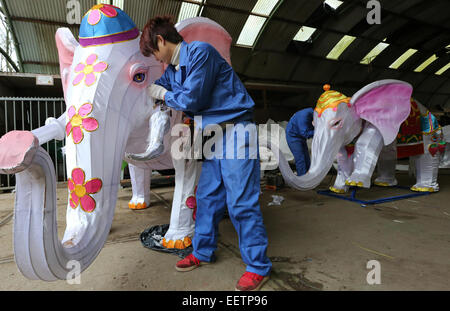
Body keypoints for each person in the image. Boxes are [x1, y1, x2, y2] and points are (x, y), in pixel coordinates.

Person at [140, 16, 272, 291]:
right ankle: (202, 251)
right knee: (207, 196)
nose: (155, 58)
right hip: (211, 133)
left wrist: (162, 95)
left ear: (162, 41)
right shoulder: (173, 71)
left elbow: (191, 100)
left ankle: (258, 266)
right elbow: (157, 87)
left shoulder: (200, 52)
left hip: (236, 128)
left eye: (153, 51)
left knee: (240, 201)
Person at [285, 108, 315, 176]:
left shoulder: (312, 113)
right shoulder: (304, 116)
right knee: (300, 159)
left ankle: (308, 177)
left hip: (301, 137)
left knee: (307, 158)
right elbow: (305, 133)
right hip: (293, 137)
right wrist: (318, 131)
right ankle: (302, 179)